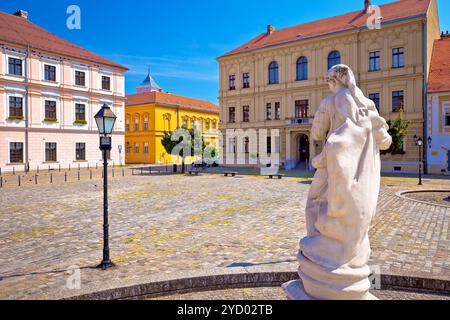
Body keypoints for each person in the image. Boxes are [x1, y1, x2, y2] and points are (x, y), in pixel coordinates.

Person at [284, 64, 392, 300]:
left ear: (335, 82)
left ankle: (322, 254)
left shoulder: (330, 102)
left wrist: (320, 157)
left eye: (329, 81)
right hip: (364, 178)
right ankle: (347, 263)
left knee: (314, 203)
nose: (328, 85)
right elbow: (386, 141)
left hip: (333, 168)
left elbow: (316, 134)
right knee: (356, 222)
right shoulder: (368, 105)